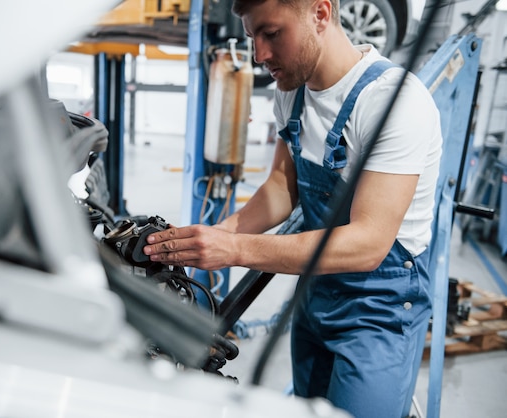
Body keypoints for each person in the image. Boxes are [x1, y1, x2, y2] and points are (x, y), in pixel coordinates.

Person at [143, 0, 443, 417]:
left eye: (271, 34)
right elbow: (282, 190)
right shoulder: (294, 94)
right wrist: (217, 234)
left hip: (380, 310)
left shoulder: (392, 102)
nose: (259, 55)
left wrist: (235, 250)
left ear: (320, 14)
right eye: (252, 38)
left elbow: (368, 243)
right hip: (317, 294)